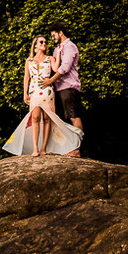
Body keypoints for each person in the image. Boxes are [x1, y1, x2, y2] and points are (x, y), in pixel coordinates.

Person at [1, 34, 82, 157]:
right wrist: (25, 94)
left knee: (47, 118)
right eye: (41, 42)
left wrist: (59, 53)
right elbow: (26, 78)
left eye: (45, 42)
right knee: (34, 117)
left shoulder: (50, 58)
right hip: (34, 90)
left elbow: (56, 69)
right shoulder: (29, 60)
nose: (44, 44)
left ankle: (43, 148)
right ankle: (35, 148)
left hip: (47, 90)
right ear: (35, 46)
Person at [40, 21, 84, 157]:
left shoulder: (70, 47)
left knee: (73, 116)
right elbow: (54, 68)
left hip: (69, 87)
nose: (52, 38)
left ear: (61, 33)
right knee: (61, 119)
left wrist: (50, 81)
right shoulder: (57, 49)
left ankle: (77, 149)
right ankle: (68, 148)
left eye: (54, 36)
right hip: (59, 89)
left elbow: (64, 69)